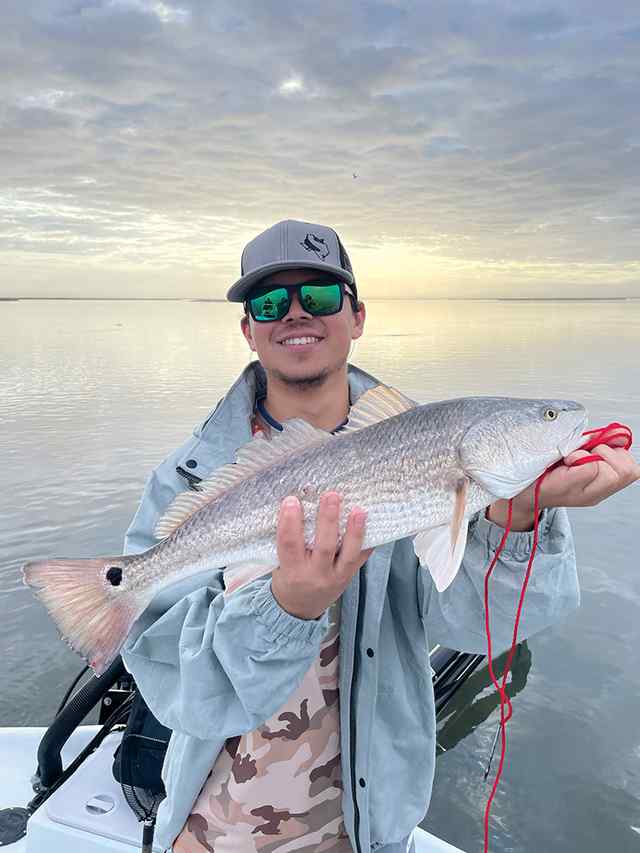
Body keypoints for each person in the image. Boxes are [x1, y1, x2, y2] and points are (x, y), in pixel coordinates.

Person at [121, 219, 640, 853]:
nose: (294, 314)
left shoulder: (424, 448)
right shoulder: (191, 479)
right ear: (248, 328)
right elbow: (178, 693)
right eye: (268, 302)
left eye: (317, 296)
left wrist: (519, 516)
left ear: (357, 315)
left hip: (364, 830)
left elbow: (483, 630)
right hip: (210, 829)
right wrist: (289, 606)